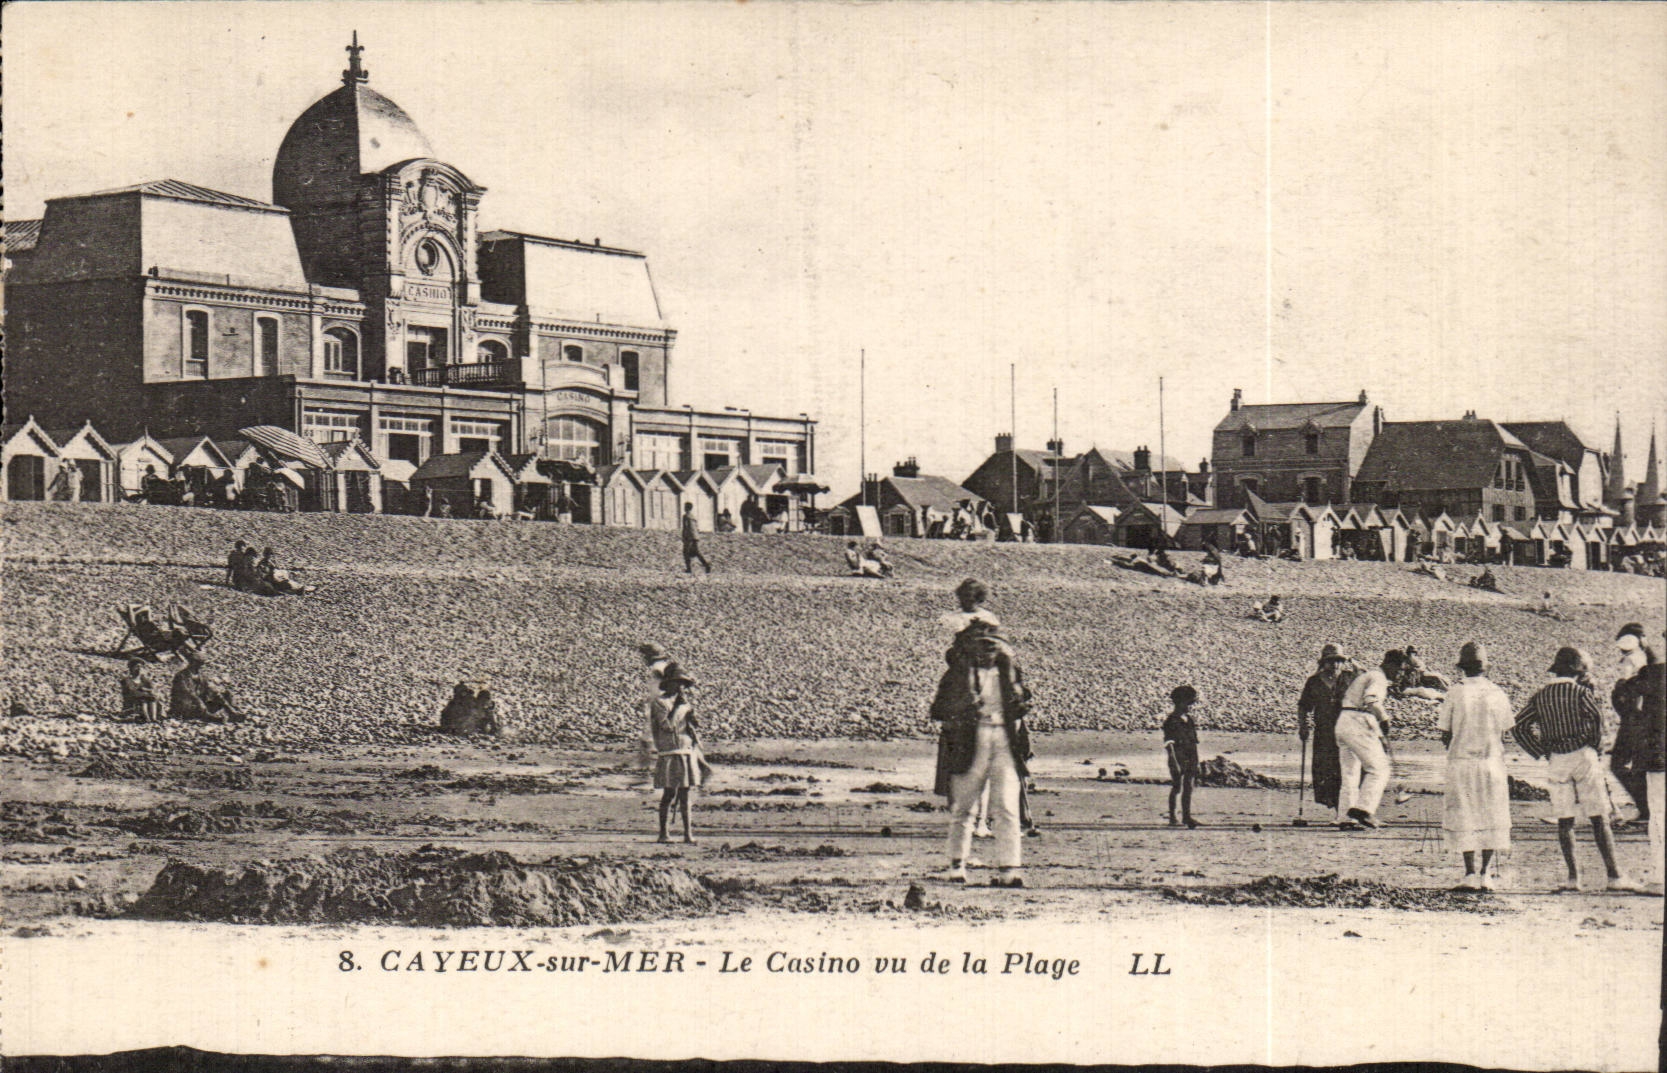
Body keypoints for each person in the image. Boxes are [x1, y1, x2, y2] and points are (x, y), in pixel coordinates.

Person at [1513, 647, 1640, 892]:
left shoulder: (1541, 695)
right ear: (1579, 671)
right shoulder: (1581, 693)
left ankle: (1573, 878)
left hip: (1557, 760)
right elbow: (1596, 722)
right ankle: (1614, 876)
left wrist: (1540, 750)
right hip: (1583, 756)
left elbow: (1519, 726)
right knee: (1598, 817)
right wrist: (1594, 747)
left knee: (1565, 819)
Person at [930, 621, 1032, 887]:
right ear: (969, 647)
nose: (988, 651)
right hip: (969, 740)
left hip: (1003, 740)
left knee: (1007, 805)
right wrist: (964, 707)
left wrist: (1017, 704)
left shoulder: (1009, 672)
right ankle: (956, 866)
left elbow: (1023, 705)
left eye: (993, 646)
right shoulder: (957, 675)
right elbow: (938, 710)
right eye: (982, 645)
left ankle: (1009, 870)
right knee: (964, 808)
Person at [1436, 642, 1514, 890]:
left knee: (1464, 815)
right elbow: (1505, 731)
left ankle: (1470, 873)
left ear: (1463, 668)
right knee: (1491, 813)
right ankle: (1486, 873)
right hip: (1491, 762)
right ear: (1485, 668)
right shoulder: (1497, 693)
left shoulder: (1455, 693)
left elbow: (1445, 733)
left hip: (1461, 762)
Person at [1334, 649, 1404, 829]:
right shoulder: (1378, 678)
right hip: (1357, 722)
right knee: (1379, 769)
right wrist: (1384, 719)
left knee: (1350, 773)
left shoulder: (1368, 675)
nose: (1400, 674)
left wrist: (1379, 731)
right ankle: (1364, 810)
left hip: (1344, 721)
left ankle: (1345, 818)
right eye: (1399, 669)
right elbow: (1371, 700)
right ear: (1390, 664)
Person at [1298, 644, 1356, 820]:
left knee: (1345, 769)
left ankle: (1344, 809)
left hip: (1346, 731)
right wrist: (1303, 726)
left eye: (1339, 661)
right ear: (1324, 663)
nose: (1336, 665)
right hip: (1324, 733)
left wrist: (1356, 664)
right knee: (1326, 769)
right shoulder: (1314, 681)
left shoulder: (1349, 678)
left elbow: (1369, 680)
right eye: (1331, 661)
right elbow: (1304, 706)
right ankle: (1337, 807)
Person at [1609, 622, 1657, 831]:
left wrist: (1625, 713)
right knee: (1638, 766)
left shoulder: (1630, 661)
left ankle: (1646, 810)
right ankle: (1648, 809)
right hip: (1645, 719)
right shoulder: (1647, 659)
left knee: (1620, 764)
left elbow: (1626, 691)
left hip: (1633, 720)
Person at [650, 662, 704, 843]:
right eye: (677, 682)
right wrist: (677, 709)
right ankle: (663, 834)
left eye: (682, 683)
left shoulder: (684, 704)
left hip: (685, 751)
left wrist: (691, 716)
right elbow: (667, 726)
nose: (680, 687)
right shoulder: (660, 703)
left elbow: (692, 726)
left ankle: (688, 834)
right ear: (670, 683)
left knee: (685, 794)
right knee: (669, 793)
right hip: (670, 752)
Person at [1163, 684, 1202, 828]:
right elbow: (1169, 744)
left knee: (1188, 786)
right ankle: (1173, 817)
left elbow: (1194, 742)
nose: (1190, 706)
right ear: (1180, 702)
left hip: (1191, 755)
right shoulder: (1171, 721)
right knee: (1177, 786)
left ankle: (1186, 816)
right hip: (1177, 756)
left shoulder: (1189, 719)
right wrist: (1174, 761)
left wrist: (1196, 762)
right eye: (1188, 703)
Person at [168, 653, 246, 724]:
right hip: (184, 706)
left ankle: (231, 712)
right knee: (198, 703)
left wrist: (218, 696)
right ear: (192, 662)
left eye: (201, 664)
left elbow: (208, 689)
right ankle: (209, 717)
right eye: (198, 663)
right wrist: (199, 701)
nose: (199, 666)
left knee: (225, 694)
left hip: (199, 703)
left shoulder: (201, 675)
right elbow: (188, 693)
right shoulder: (181, 676)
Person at [636, 643, 672, 772]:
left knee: (649, 736)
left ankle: (645, 767)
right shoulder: (662, 666)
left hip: (660, 704)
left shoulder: (657, 668)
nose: (643, 659)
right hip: (660, 703)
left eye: (645, 656)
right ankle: (647, 766)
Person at [119, 659, 163, 723]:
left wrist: (148, 691)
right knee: (144, 701)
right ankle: (146, 718)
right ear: (131, 668)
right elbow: (131, 691)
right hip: (133, 701)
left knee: (153, 698)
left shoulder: (144, 679)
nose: (139, 669)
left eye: (141, 667)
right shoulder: (127, 680)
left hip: (146, 698)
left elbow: (152, 688)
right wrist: (146, 693)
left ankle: (154, 718)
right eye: (137, 666)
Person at [680, 503, 712, 575]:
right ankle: (706, 565)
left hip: (689, 536)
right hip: (695, 536)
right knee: (696, 552)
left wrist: (684, 536)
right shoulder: (693, 516)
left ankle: (689, 568)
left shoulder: (685, 516)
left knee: (686, 552)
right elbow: (696, 527)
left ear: (686, 508)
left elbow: (686, 527)